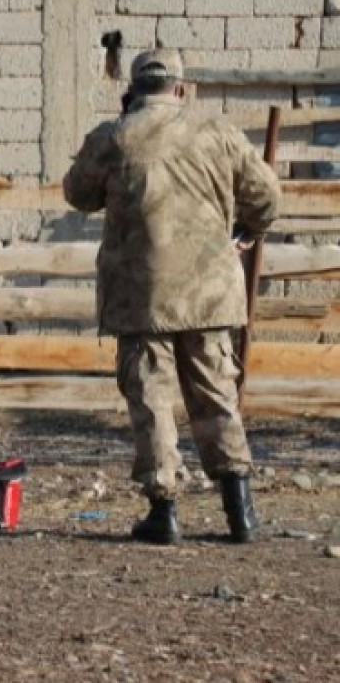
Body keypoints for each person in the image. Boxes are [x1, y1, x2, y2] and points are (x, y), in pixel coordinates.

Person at [63, 48, 280, 545]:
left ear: (135, 89)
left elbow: (77, 193)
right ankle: (239, 508)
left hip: (141, 296)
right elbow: (267, 200)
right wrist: (245, 230)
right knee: (216, 394)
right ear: (181, 88)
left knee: (151, 401)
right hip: (209, 293)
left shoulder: (114, 136)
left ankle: (164, 510)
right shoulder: (218, 133)